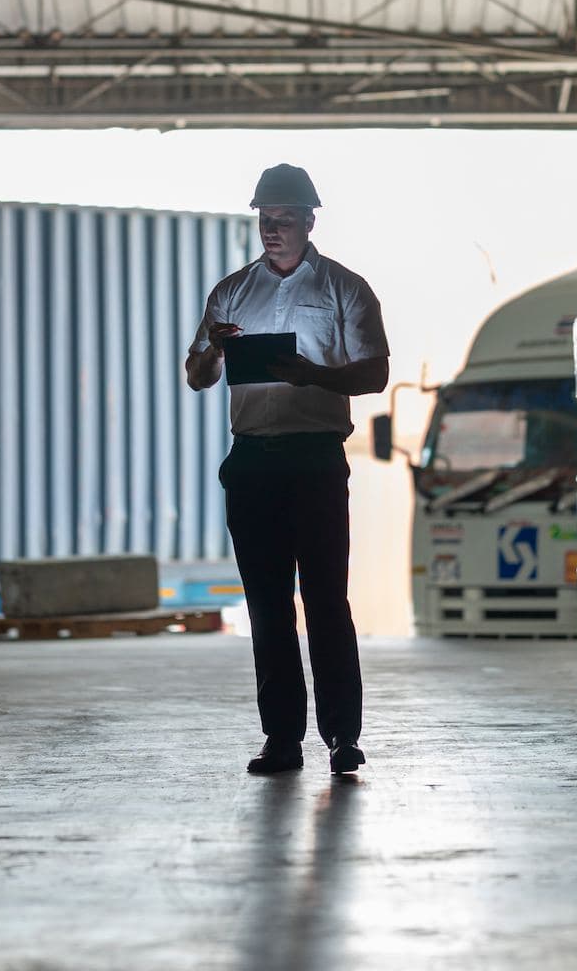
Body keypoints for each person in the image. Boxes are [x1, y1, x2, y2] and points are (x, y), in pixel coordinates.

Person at [185, 164, 389, 777]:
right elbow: (197, 377)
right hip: (251, 462)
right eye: (264, 220)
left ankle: (343, 737)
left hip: (315, 460)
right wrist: (215, 347)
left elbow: (375, 374)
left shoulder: (345, 289)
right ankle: (281, 740)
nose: (271, 230)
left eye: (283, 220)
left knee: (326, 601)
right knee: (267, 607)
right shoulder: (230, 293)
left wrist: (313, 375)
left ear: (309, 221)